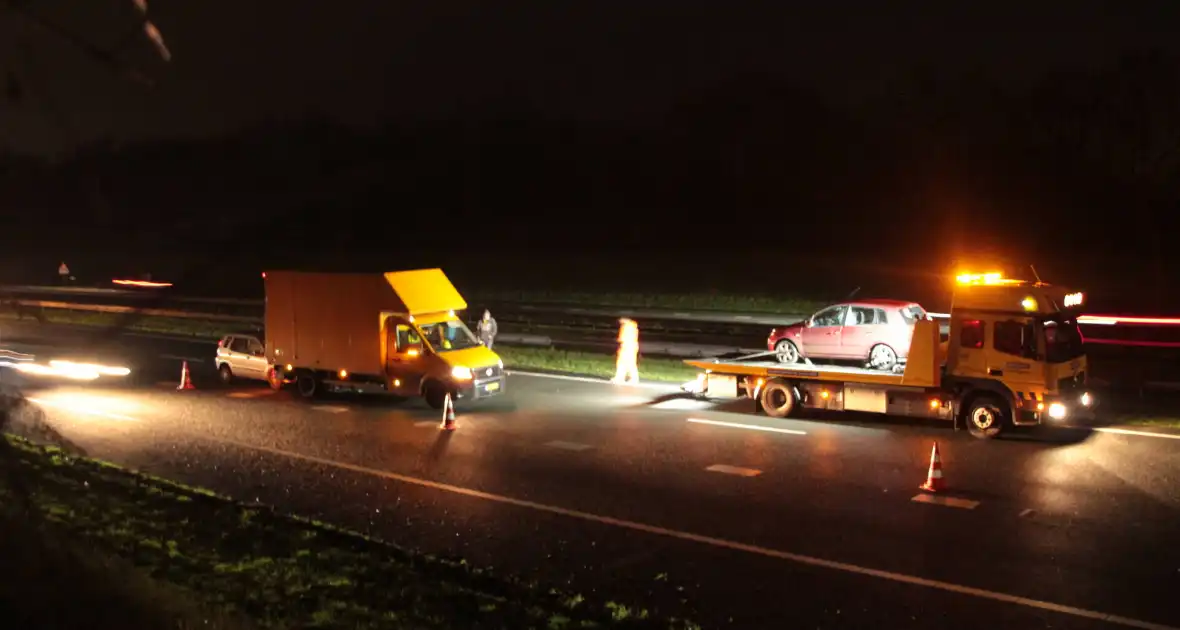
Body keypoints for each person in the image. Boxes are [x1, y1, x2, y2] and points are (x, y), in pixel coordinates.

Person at [612, 318, 639, 384]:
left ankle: (621, 378)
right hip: (630, 346)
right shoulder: (632, 326)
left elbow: (623, 338)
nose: (619, 320)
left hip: (627, 346)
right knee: (627, 362)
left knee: (625, 362)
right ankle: (629, 378)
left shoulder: (627, 326)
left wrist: (618, 340)